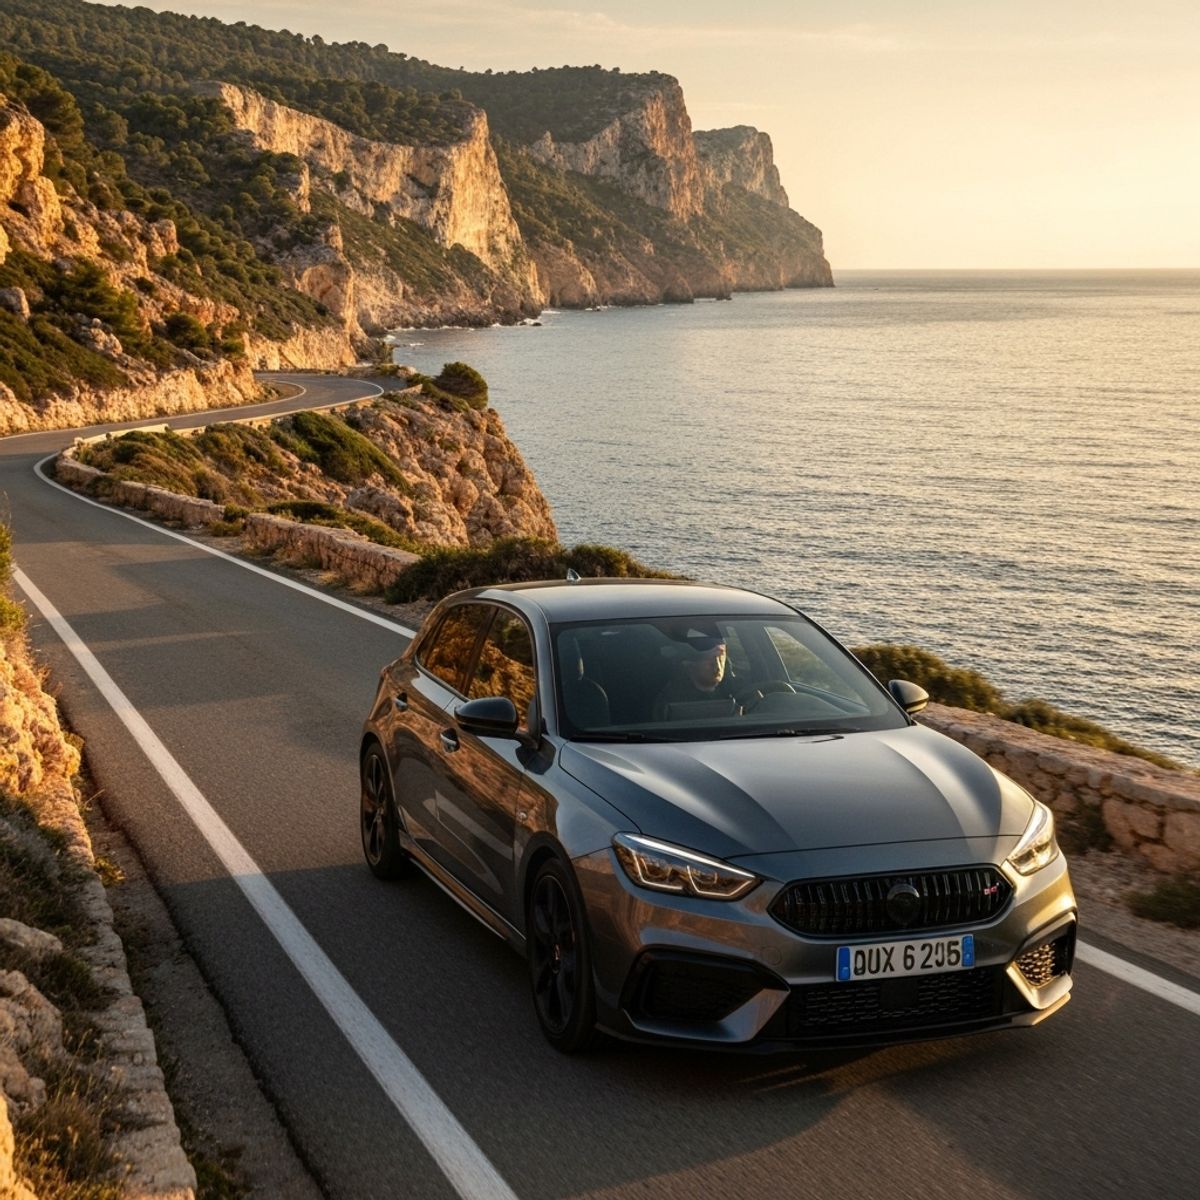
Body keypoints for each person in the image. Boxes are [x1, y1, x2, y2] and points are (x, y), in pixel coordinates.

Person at [651, 624, 740, 721]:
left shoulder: (738, 690)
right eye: (710, 660)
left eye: (721, 658)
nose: (717, 666)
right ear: (688, 664)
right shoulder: (672, 700)